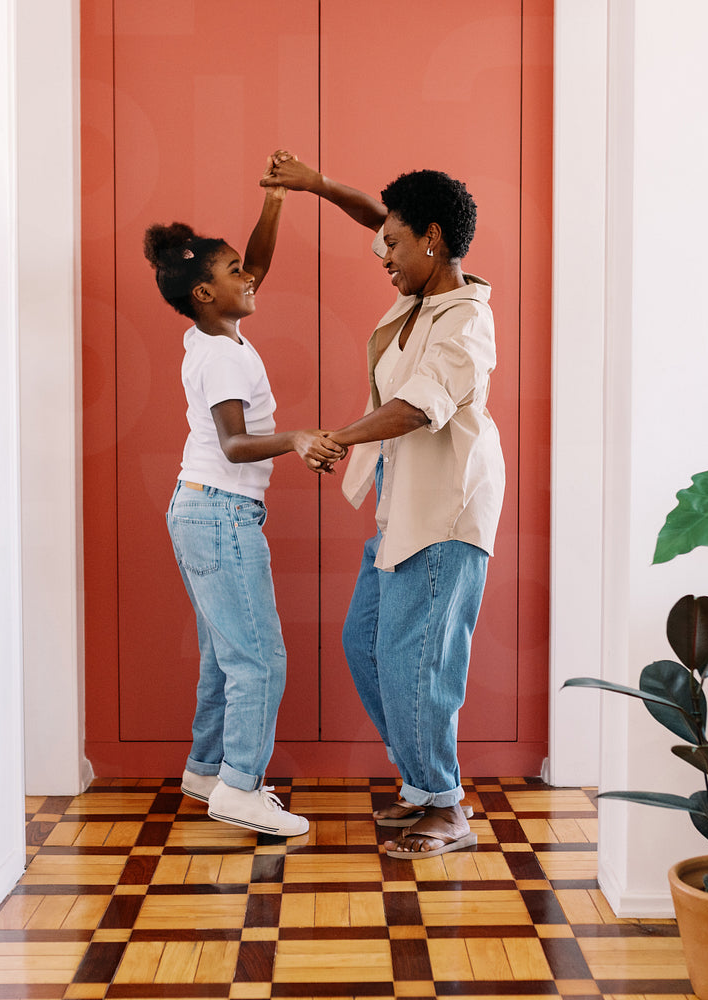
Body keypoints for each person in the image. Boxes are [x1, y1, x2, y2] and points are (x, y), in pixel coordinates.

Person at [262, 154, 504, 858]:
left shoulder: (465, 322)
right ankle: (423, 786)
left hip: (445, 510)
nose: (383, 255)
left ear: (433, 239)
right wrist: (317, 185)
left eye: (395, 244)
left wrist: (338, 437)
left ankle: (446, 806)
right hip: (403, 508)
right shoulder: (419, 294)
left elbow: (418, 406)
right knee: (367, 644)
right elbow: (380, 218)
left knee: (418, 662)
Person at [143, 173, 345, 838]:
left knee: (223, 654)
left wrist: (274, 200)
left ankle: (207, 771)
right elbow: (233, 445)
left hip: (200, 510)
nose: (251, 276)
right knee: (258, 659)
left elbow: (256, 261)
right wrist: (296, 438)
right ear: (205, 294)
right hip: (222, 513)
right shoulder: (223, 358)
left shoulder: (213, 335)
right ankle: (240, 788)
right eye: (235, 273)